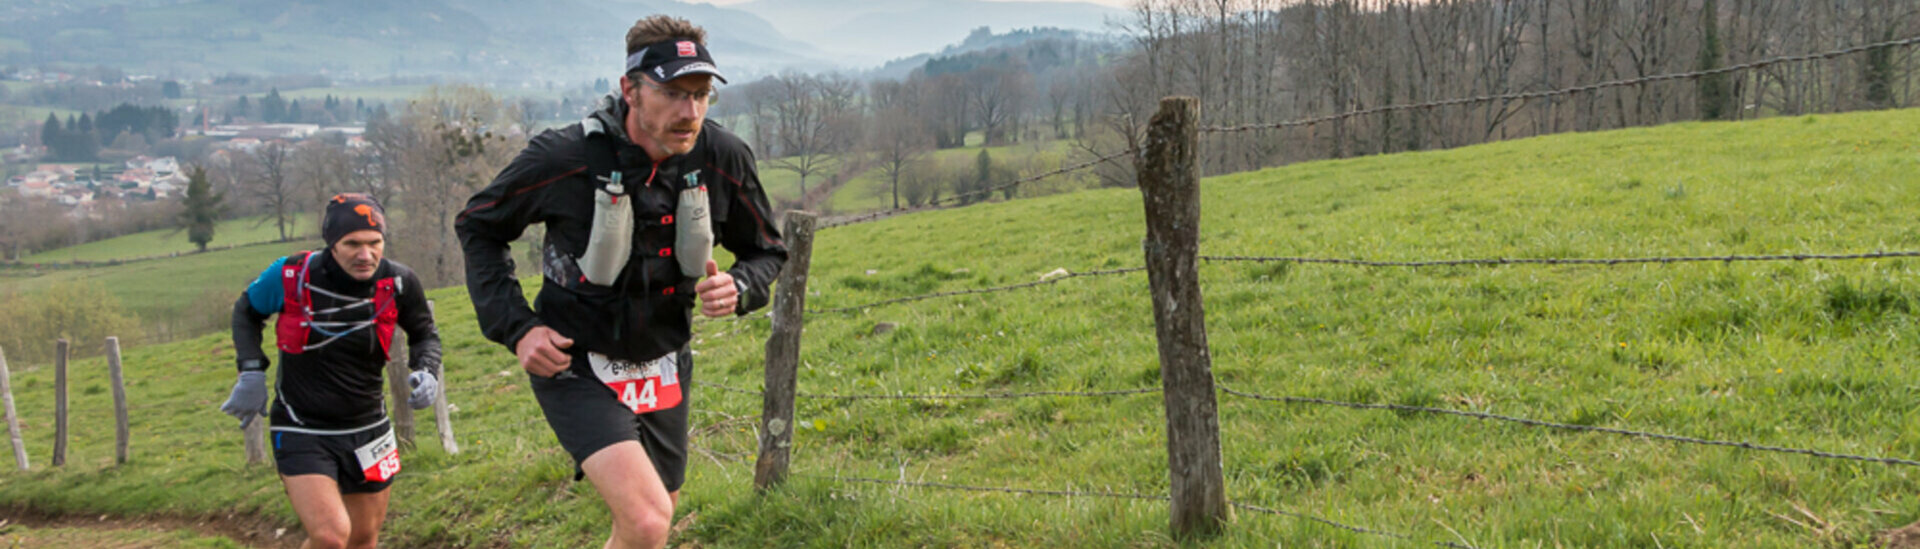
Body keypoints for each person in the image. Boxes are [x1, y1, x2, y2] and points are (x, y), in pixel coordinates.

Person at [455, 14, 787, 549]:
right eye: (674, 93)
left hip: (663, 357)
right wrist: (518, 329)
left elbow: (766, 250)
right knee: (649, 519)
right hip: (575, 360)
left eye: (702, 95)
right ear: (629, 89)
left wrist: (740, 285)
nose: (691, 112)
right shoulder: (564, 158)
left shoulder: (723, 157)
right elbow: (478, 226)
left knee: (656, 513)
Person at [222, 193, 442, 549]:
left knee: (362, 538)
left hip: (369, 428)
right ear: (332, 244)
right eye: (352, 243)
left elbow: (425, 335)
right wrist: (250, 371)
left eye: (374, 243)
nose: (365, 255)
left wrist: (427, 371)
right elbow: (246, 311)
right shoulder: (291, 274)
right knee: (329, 537)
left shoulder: (399, 282)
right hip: (301, 426)